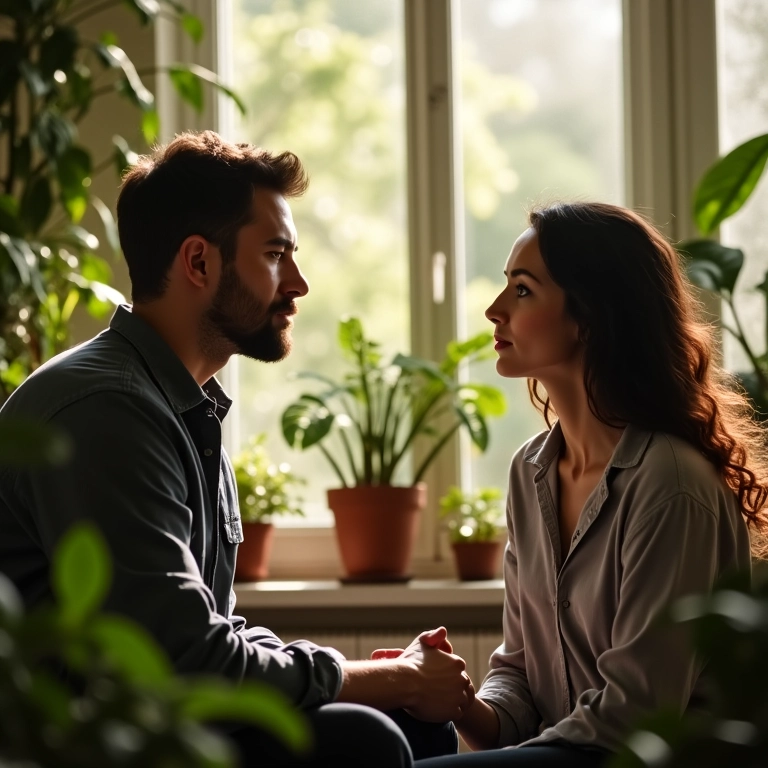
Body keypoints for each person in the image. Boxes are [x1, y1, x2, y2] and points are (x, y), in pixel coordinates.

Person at [0, 130, 471, 767]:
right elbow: (184, 660)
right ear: (199, 263)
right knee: (368, 739)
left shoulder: (181, 403)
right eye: (276, 254)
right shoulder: (105, 409)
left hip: (163, 723)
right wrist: (394, 677)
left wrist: (380, 682)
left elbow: (208, 631)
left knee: (412, 729)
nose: (299, 284)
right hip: (91, 745)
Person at [415, 202, 767, 767]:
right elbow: (518, 679)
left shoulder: (670, 485)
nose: (493, 309)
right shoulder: (530, 472)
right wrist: (454, 701)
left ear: (589, 317)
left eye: (523, 290)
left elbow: (633, 720)